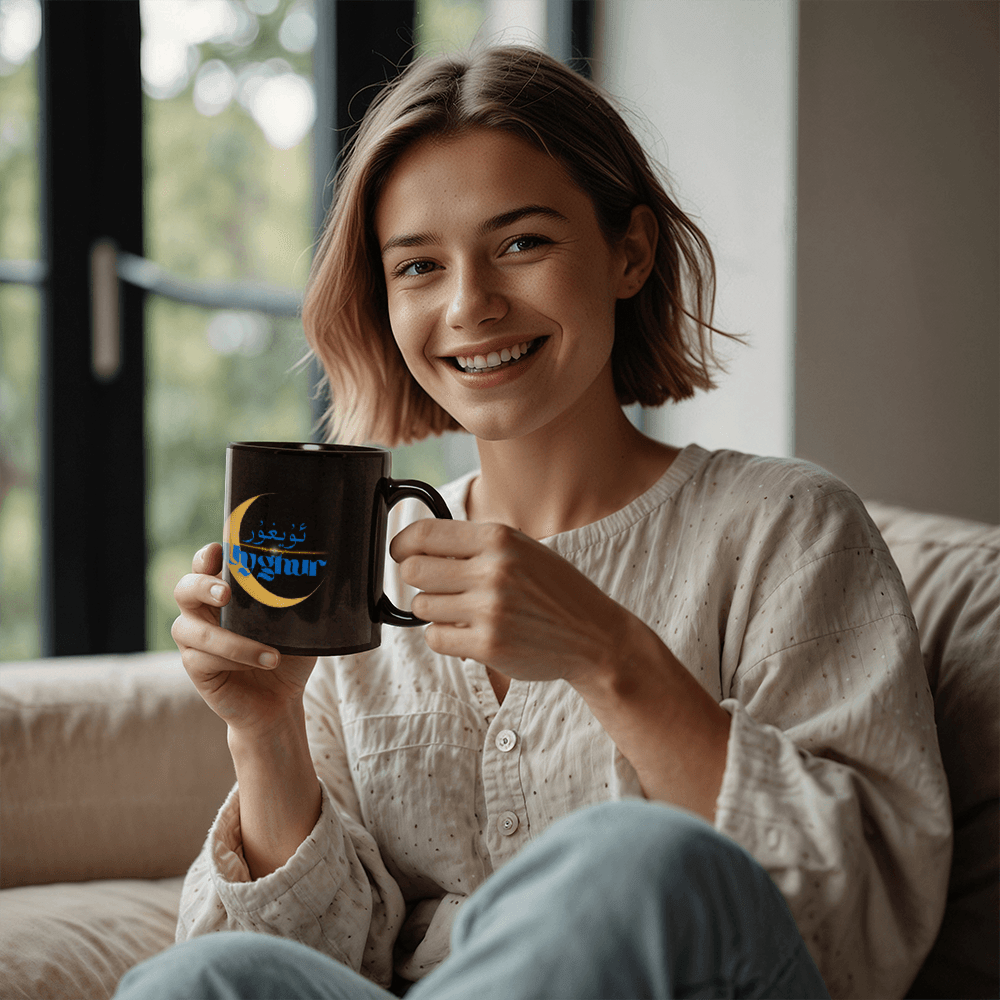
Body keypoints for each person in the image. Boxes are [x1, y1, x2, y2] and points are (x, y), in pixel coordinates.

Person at [115, 45, 951, 1000]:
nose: (470, 305)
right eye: (419, 266)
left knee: (637, 862)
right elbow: (329, 970)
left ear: (628, 253)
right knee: (214, 975)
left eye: (522, 244)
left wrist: (610, 656)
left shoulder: (787, 529)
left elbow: (866, 923)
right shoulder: (364, 585)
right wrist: (265, 735)